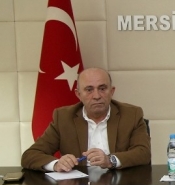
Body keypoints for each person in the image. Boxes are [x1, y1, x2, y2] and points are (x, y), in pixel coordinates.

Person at [21, 67, 151, 172]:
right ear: (78, 94)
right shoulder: (63, 118)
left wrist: (110, 160)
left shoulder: (131, 114)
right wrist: (56, 164)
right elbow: (30, 155)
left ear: (111, 91)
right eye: (89, 90)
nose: (96, 96)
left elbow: (144, 153)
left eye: (102, 88)